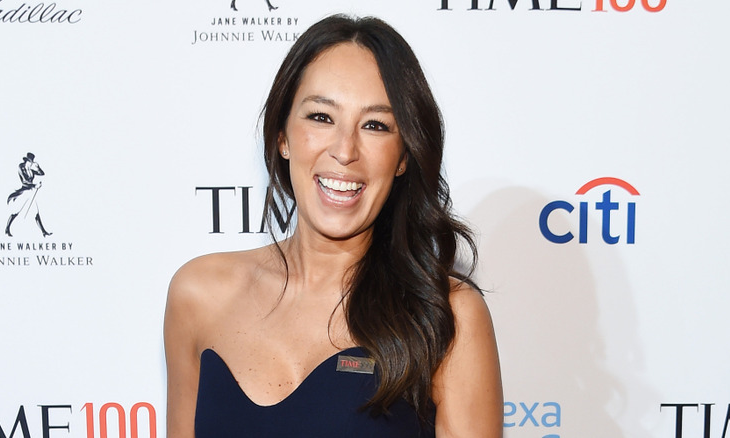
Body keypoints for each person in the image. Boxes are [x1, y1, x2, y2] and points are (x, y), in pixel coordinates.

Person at [164, 14, 502, 437]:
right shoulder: (198, 293)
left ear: (402, 157)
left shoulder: (446, 314)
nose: (344, 150)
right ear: (282, 136)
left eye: (375, 125)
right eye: (321, 117)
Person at [5, 152, 51, 237]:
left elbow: (42, 173)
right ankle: (7, 229)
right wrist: (35, 185)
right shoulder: (21, 167)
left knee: (36, 212)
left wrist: (38, 167)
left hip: (31, 192)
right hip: (24, 192)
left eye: (32, 162)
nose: (31, 164)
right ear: (26, 161)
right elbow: (25, 181)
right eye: (30, 162)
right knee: (16, 211)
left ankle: (43, 232)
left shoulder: (31, 169)